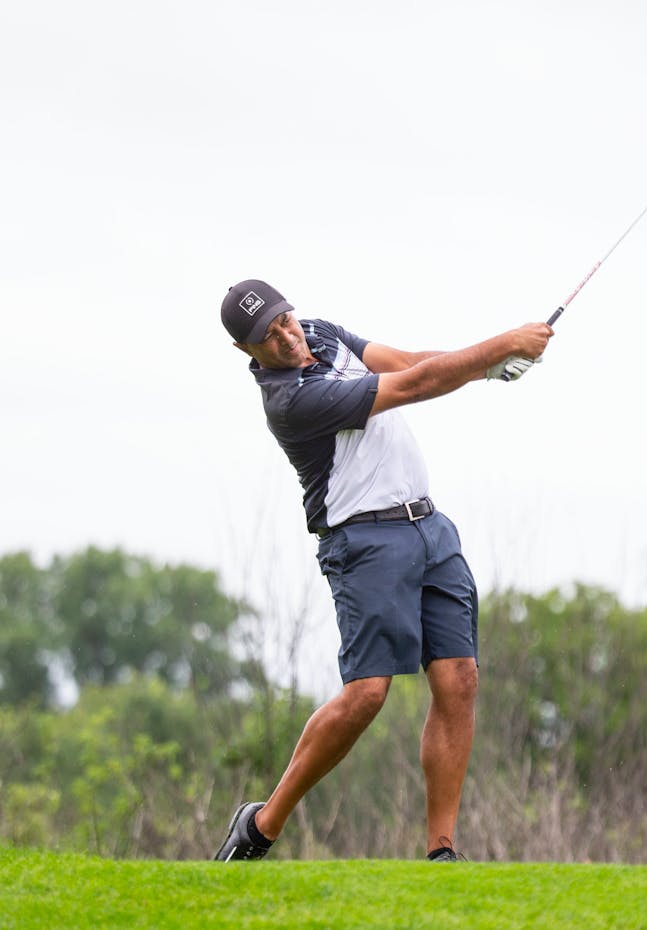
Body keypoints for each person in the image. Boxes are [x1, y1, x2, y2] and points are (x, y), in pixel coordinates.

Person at [211, 279, 552, 863]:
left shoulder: (320, 332)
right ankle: (262, 825)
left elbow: (410, 361)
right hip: (363, 541)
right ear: (249, 352)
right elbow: (413, 386)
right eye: (269, 338)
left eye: (285, 321)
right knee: (368, 694)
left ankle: (441, 851)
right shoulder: (290, 400)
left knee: (459, 679)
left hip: (429, 527)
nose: (287, 337)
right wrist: (501, 345)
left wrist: (488, 369)